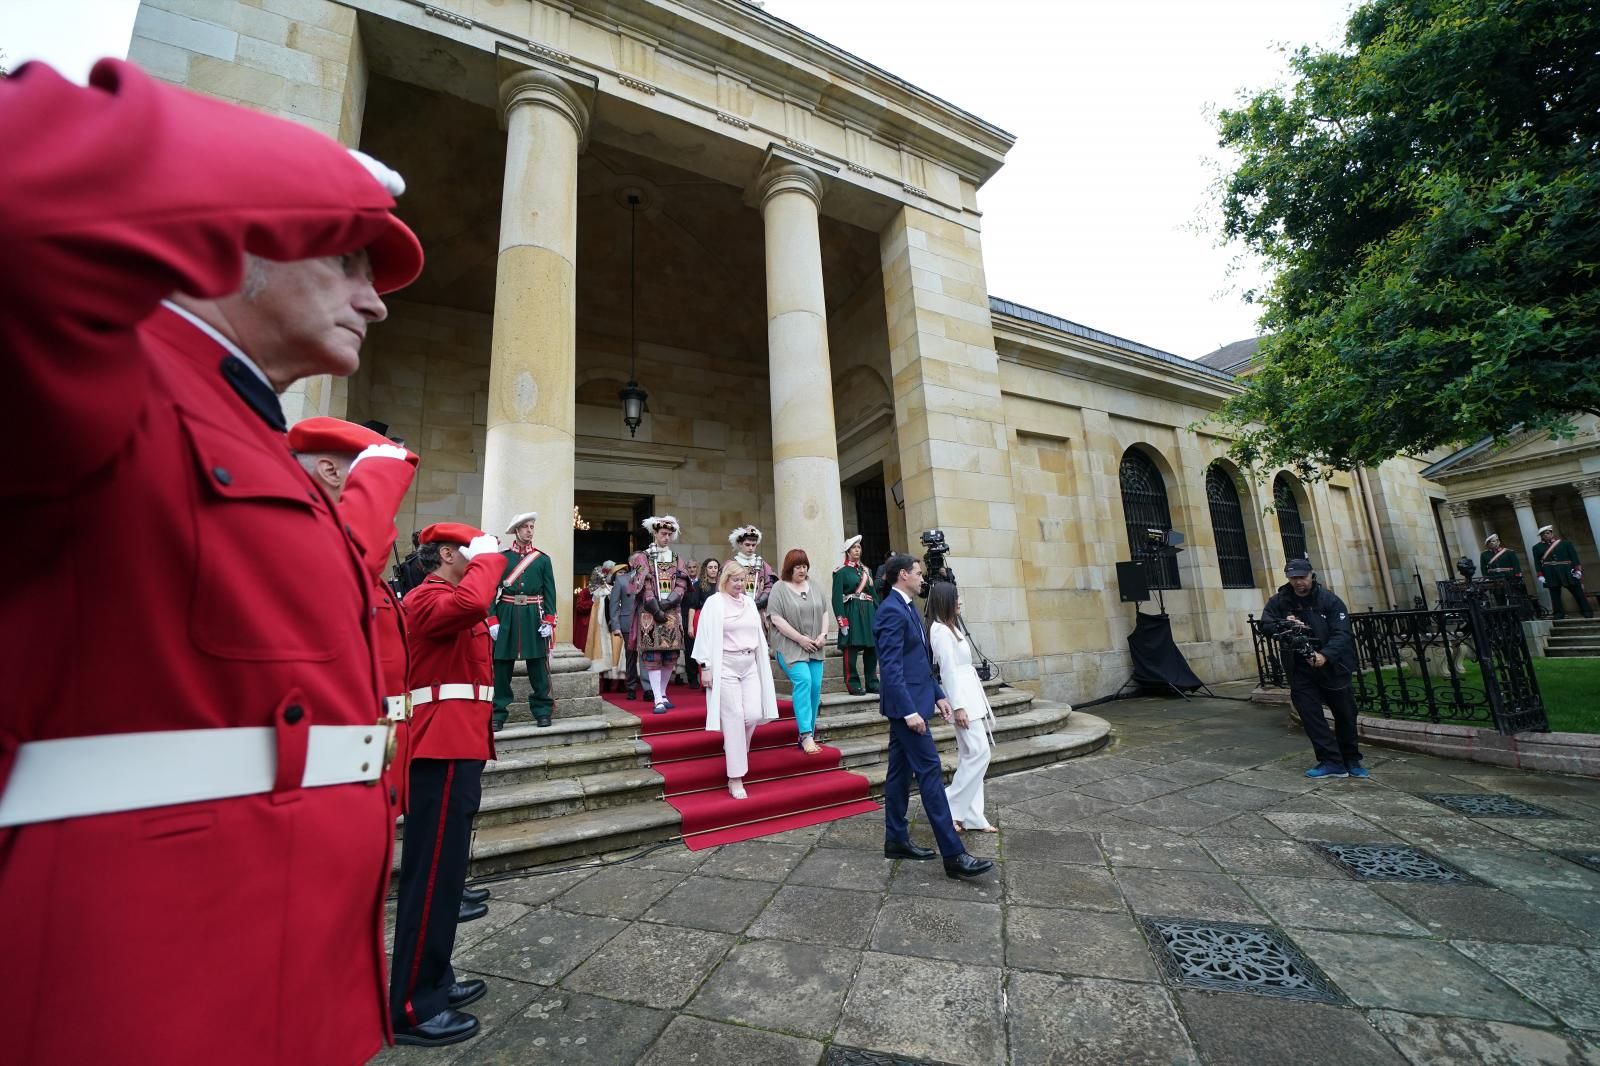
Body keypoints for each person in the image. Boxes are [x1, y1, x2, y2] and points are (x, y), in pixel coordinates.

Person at [0, 59, 423, 1066]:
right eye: (350, 258)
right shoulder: (110, 384)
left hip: (289, 979)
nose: (376, 303)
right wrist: (295, 173)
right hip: (142, 993)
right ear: (247, 243)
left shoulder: (248, 429)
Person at [391, 523, 503, 1047]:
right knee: (431, 881)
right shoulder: (426, 597)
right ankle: (413, 1005)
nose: (478, 558)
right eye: (470, 550)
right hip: (438, 749)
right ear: (444, 554)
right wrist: (489, 561)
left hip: (460, 745)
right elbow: (474, 604)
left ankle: (436, 978)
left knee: (446, 878)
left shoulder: (449, 597)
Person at [288, 417, 421, 814]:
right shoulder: (293, 535)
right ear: (329, 470)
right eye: (366, 479)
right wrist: (382, 477)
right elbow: (343, 572)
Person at [874, 554, 994, 881]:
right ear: (902, 576)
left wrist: (939, 695)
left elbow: (918, 662)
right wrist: (911, 711)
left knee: (899, 774)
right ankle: (954, 854)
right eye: (917, 573)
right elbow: (892, 669)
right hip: (906, 708)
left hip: (918, 699)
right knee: (929, 771)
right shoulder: (890, 611)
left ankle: (896, 838)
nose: (921, 578)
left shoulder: (909, 607)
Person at [1260, 558, 1367, 779]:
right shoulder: (1280, 600)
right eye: (1293, 577)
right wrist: (1284, 624)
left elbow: (1342, 633)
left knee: (1345, 713)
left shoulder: (1329, 600)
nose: (1298, 582)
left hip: (1333, 666)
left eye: (1302, 577)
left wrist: (1324, 656)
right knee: (1310, 714)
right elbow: (1266, 624)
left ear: (1311, 575)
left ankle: (1351, 759)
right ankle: (1331, 760)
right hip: (1300, 667)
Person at [692, 563, 780, 798]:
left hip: (749, 663)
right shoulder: (714, 603)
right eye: (736, 580)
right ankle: (735, 778)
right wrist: (706, 667)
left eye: (743, 580)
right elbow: (704, 636)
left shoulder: (750, 602)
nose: (740, 584)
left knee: (752, 714)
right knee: (734, 718)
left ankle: (735, 748)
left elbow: (758, 635)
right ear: (725, 580)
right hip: (725, 666)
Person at [926, 583, 996, 833]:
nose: (960, 601)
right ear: (945, 600)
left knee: (971, 755)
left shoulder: (950, 627)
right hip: (962, 699)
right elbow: (947, 670)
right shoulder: (940, 631)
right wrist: (958, 707)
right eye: (956, 597)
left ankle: (973, 815)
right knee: (980, 753)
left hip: (970, 695)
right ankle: (950, 805)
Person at [491, 512, 559, 730]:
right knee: (501, 666)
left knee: (538, 665)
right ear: (516, 531)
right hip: (507, 613)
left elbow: (550, 592)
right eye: (526, 527)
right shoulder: (502, 559)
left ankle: (542, 711)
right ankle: (497, 714)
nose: (530, 530)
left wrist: (549, 620)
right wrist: (492, 620)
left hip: (533, 614)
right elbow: (489, 591)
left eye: (532, 527)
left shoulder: (542, 560)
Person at [768, 548, 830, 754]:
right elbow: (776, 618)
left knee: (815, 687)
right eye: (798, 567)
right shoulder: (779, 587)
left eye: (804, 566)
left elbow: (824, 611)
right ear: (789, 568)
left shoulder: (814, 585)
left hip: (814, 646)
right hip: (790, 646)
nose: (802, 570)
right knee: (803, 680)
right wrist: (800, 639)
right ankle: (806, 735)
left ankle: (808, 732)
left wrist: (823, 635)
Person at [630, 515, 693, 713]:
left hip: (672, 612)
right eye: (663, 534)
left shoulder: (676, 559)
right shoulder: (644, 557)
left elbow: (683, 582)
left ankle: (663, 694)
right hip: (650, 614)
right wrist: (655, 607)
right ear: (655, 533)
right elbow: (643, 584)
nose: (666, 537)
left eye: (669, 534)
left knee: (670, 657)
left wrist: (671, 600)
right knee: (653, 656)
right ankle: (657, 698)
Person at [833, 535, 881, 694]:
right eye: (854, 548)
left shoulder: (867, 571)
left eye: (859, 548)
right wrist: (842, 621)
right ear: (847, 551)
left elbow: (873, 595)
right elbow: (836, 599)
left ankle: (872, 682)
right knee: (851, 648)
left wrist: (880, 615)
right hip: (852, 611)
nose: (857, 550)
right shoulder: (841, 572)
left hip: (868, 611)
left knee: (872, 648)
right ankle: (853, 684)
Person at [1532, 524, 1592, 619]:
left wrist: (1578, 570)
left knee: (1578, 592)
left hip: (1567, 570)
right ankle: (1559, 614)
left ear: (1552, 533)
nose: (1546, 535)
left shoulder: (1565, 543)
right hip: (1550, 572)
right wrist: (1540, 575)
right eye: (1543, 534)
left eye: (1547, 533)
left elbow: (1574, 557)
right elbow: (1537, 562)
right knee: (1555, 595)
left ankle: (1587, 611)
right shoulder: (1536, 547)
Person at [608, 560, 641, 698]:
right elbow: (614, 605)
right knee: (631, 656)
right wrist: (616, 626)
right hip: (628, 622)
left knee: (649, 657)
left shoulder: (652, 577)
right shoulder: (621, 580)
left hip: (650, 621)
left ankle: (650, 689)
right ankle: (631, 687)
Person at [729, 524, 777, 611]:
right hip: (736, 608)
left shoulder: (763, 565)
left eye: (753, 545)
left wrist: (762, 600)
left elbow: (770, 585)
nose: (751, 548)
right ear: (740, 544)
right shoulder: (731, 564)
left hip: (758, 609)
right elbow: (723, 587)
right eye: (747, 545)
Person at [583, 563, 617, 678]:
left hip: (611, 621)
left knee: (614, 646)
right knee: (601, 645)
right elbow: (594, 607)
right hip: (599, 622)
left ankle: (616, 676)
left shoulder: (613, 589)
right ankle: (603, 677)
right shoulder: (596, 592)